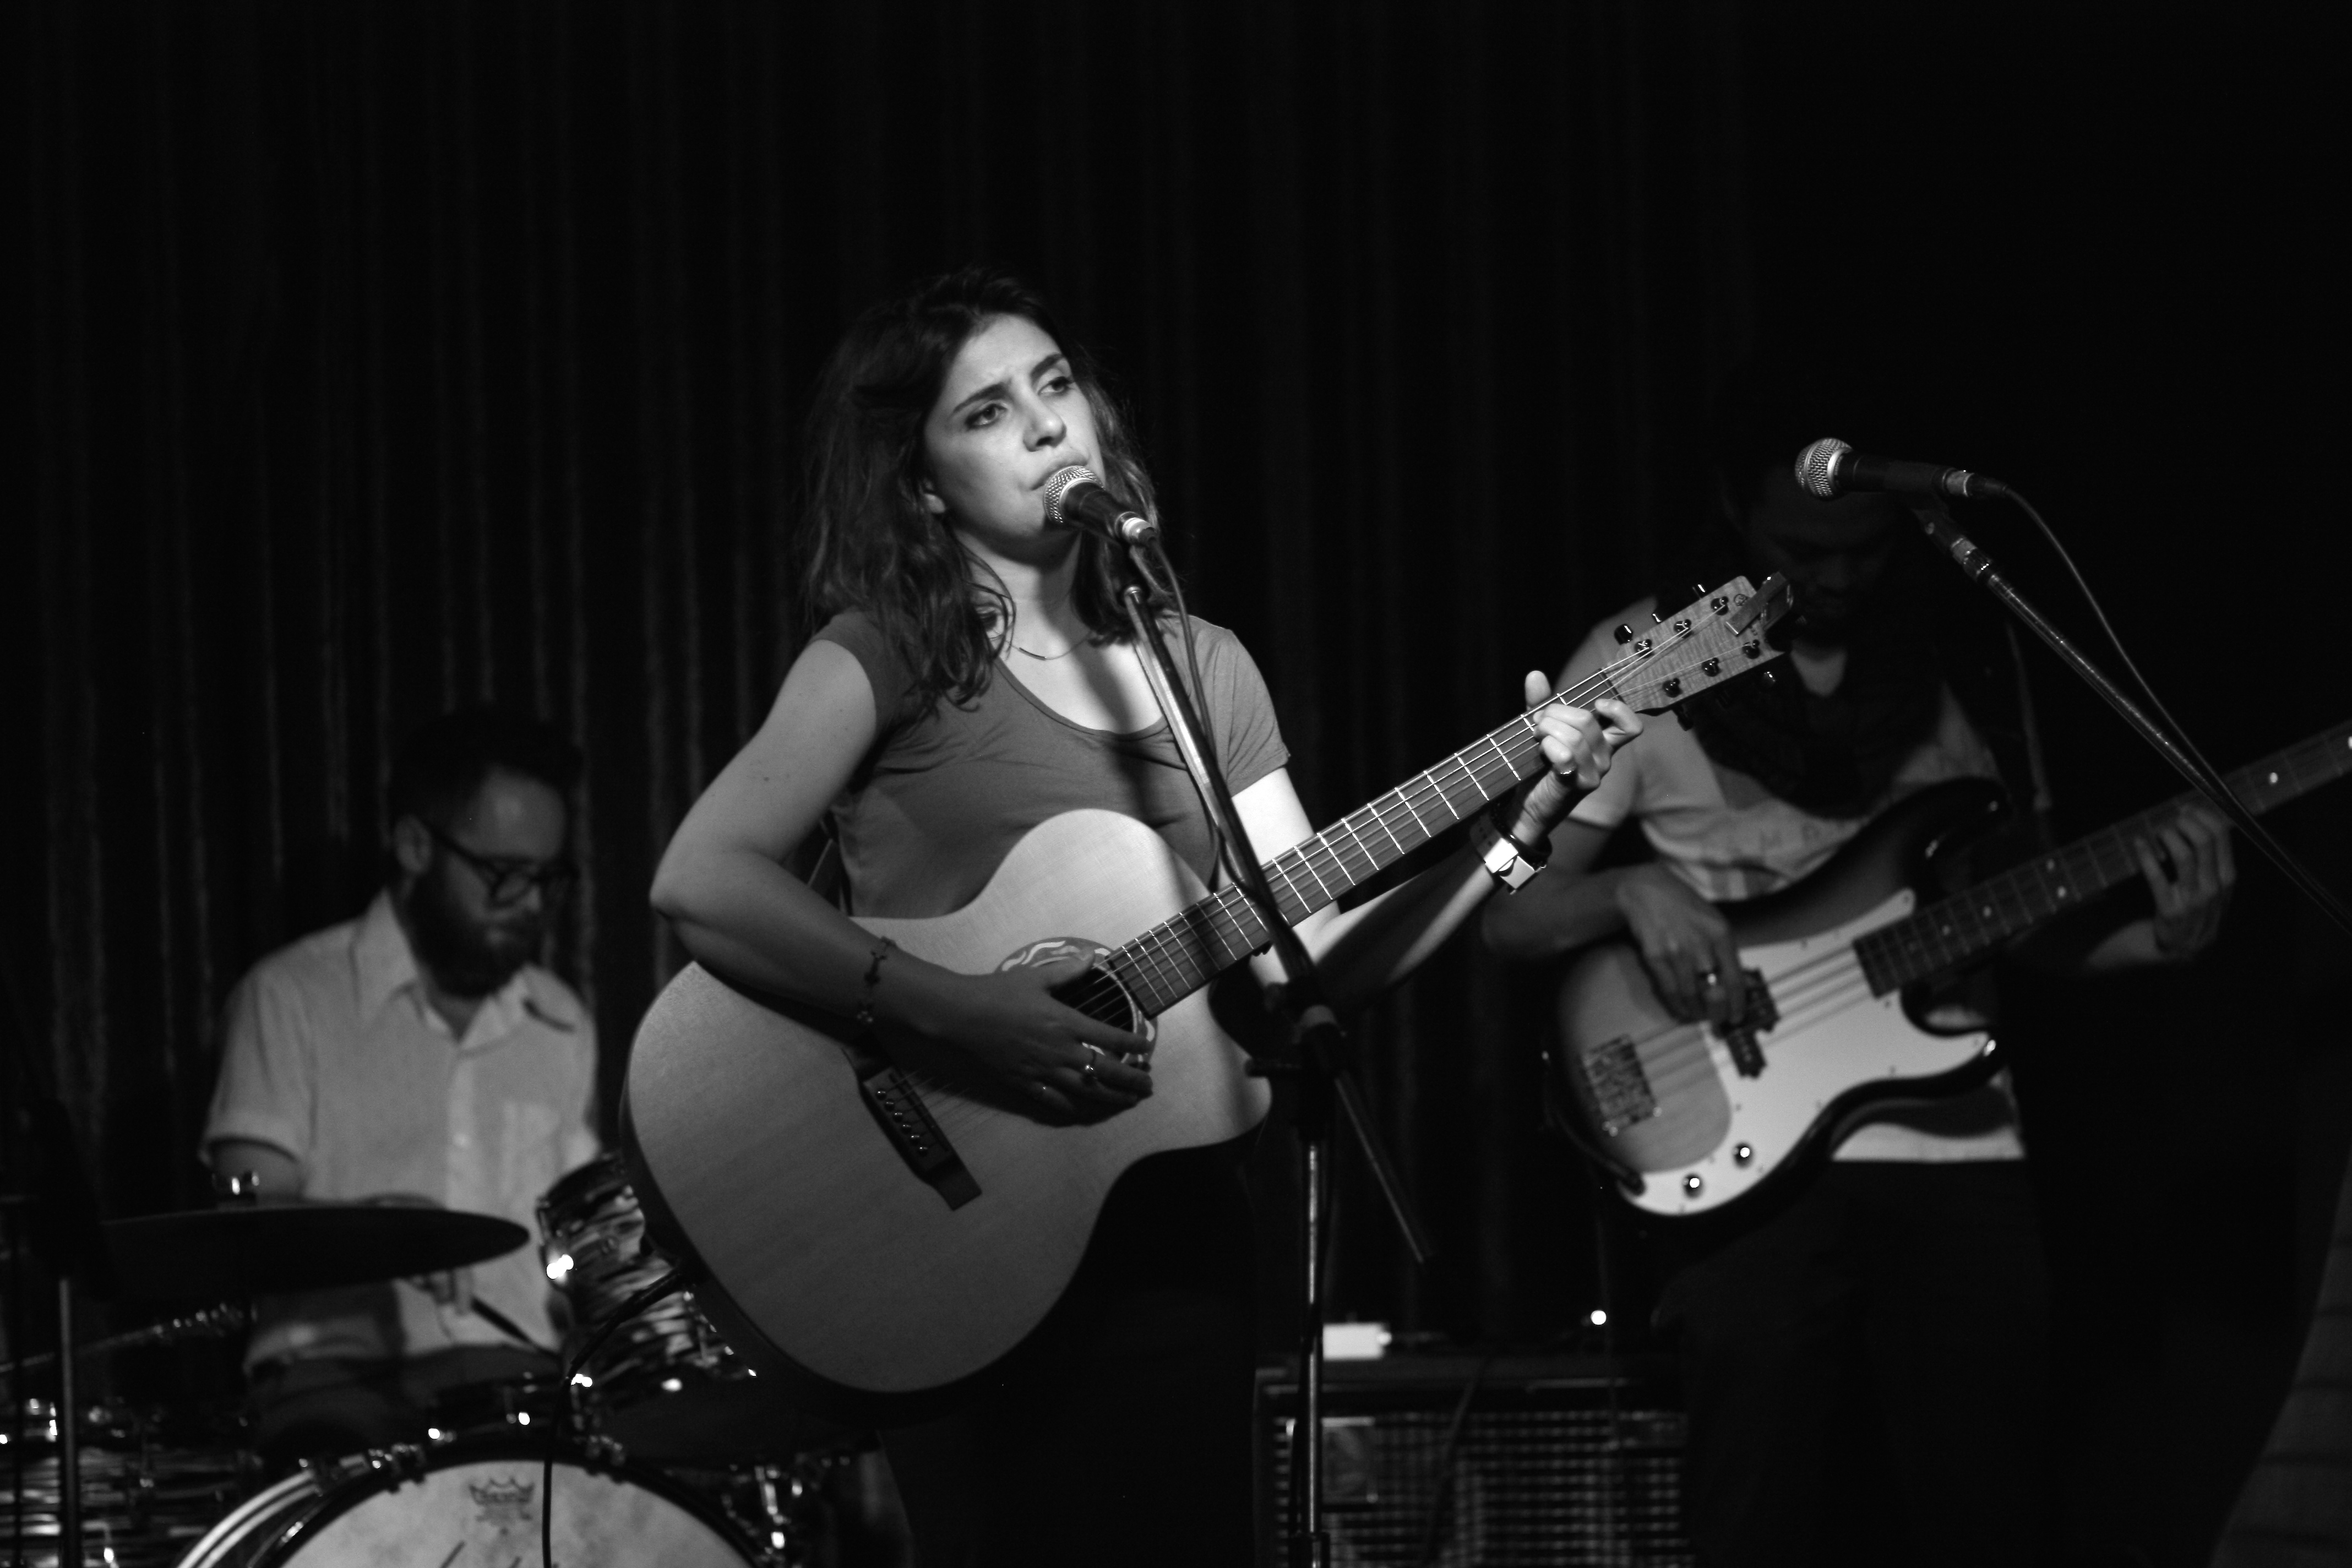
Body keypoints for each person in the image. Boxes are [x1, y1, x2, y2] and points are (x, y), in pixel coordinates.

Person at [647, 265, 1638, 1565]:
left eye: (1055, 383)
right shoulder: (889, 650)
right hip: (944, 1231)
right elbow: (703, 877)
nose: (1047, 423)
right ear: (924, 482)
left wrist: (1515, 830)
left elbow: (1306, 962)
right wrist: (965, 1012)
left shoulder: (1204, 666)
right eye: (988, 411)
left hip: (1167, 1237)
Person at [1482, 374, 2237, 1567]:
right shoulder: (1643, 660)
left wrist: (2157, 941)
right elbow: (1509, 915)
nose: (1835, 577)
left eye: (1865, 550)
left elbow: (2003, 911)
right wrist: (1629, 888)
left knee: (1987, 1512)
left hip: (1958, 1139)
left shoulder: (1968, 662)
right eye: (1801, 550)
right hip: (1740, 1129)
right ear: (1734, 509)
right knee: (1757, 1512)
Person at [204, 706, 600, 1466]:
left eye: (547, 879)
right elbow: (240, 1225)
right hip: (333, 1379)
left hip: (512, 1379)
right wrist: (379, 1231)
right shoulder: (291, 996)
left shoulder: (562, 1022)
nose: (529, 905)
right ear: (416, 846)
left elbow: (575, 1241)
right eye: (504, 875)